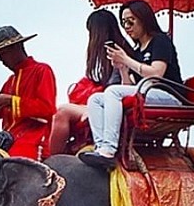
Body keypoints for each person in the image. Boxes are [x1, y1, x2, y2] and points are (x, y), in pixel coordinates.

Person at [78, 0, 183, 171]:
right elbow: (129, 87)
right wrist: (123, 69)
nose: (127, 27)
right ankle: (101, 145)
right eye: (123, 22)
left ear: (143, 19)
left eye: (130, 21)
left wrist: (126, 59)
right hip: (147, 94)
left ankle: (109, 150)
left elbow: (156, 73)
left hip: (169, 96)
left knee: (112, 91)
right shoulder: (137, 50)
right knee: (96, 99)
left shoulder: (161, 41)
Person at [48, 9, 132, 156]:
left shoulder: (118, 52)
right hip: (105, 101)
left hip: (110, 103)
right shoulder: (117, 50)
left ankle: (52, 159)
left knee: (62, 112)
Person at [0, 25, 57, 160]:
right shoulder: (10, 81)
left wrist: (10, 101)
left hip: (33, 143)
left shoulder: (42, 70)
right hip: (7, 143)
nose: (1, 60)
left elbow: (47, 109)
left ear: (16, 48)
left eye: (3, 54)